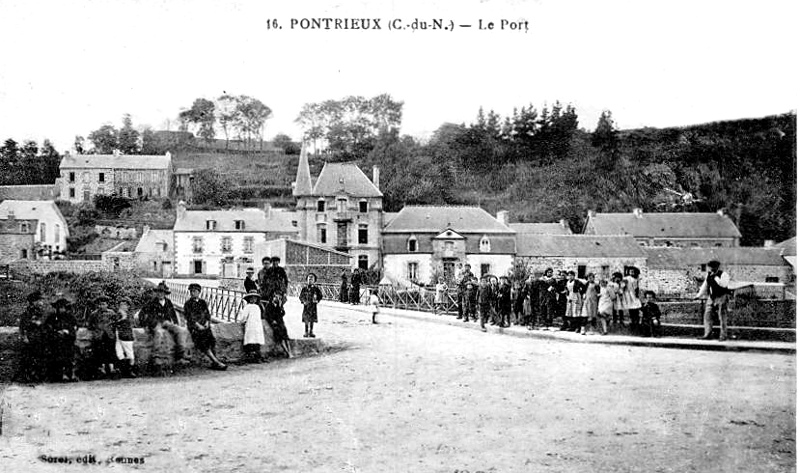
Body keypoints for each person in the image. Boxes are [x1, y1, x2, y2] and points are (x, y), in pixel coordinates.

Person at [139, 281, 189, 366]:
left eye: (162, 292)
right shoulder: (151, 302)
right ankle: (156, 357)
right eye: (158, 292)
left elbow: (173, 314)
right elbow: (142, 313)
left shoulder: (168, 302)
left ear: (165, 293)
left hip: (166, 322)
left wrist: (176, 323)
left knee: (180, 331)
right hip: (155, 323)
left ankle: (181, 354)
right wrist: (145, 325)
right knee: (158, 333)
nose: (160, 294)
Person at [183, 283, 227, 370]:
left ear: (199, 292)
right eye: (191, 291)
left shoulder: (203, 302)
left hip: (204, 326)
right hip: (194, 327)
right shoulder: (188, 304)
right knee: (203, 342)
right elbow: (189, 317)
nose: (192, 293)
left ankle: (215, 361)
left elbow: (207, 314)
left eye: (195, 291)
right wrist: (198, 325)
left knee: (211, 340)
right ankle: (216, 362)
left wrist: (207, 322)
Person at [44, 296, 78, 382]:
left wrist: (68, 332)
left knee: (70, 356)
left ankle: (71, 374)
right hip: (56, 341)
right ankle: (62, 375)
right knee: (59, 356)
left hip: (68, 340)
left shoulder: (70, 317)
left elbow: (75, 327)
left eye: (63, 307)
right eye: (59, 308)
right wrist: (57, 332)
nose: (61, 309)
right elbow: (48, 328)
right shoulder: (52, 318)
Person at [17, 290, 48, 382]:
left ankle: (37, 376)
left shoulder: (41, 312)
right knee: (29, 357)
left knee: (39, 356)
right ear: (33, 302)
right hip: (31, 337)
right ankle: (28, 376)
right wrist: (25, 337)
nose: (41, 303)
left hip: (39, 337)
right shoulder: (28, 313)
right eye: (39, 301)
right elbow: (23, 326)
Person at [695, 260, 731, 341]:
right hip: (712, 297)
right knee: (707, 315)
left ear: (717, 267)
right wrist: (698, 295)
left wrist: (716, 277)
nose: (710, 269)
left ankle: (723, 335)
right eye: (710, 267)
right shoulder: (709, 275)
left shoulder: (723, 274)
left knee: (722, 316)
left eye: (712, 267)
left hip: (722, 296)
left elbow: (724, 284)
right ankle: (707, 334)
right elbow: (705, 285)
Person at [88, 295, 118, 379]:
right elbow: (90, 325)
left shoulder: (111, 313)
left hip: (109, 335)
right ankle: (102, 369)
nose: (102, 306)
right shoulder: (94, 314)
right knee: (100, 352)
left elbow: (115, 323)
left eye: (104, 304)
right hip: (99, 335)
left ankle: (112, 369)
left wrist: (111, 330)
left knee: (111, 351)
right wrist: (96, 331)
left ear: (107, 304)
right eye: (100, 304)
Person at [113, 296, 138, 378]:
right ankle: (123, 370)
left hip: (126, 335)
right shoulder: (118, 314)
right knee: (119, 353)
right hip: (118, 335)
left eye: (124, 305)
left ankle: (130, 371)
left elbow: (129, 324)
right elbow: (115, 323)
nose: (122, 306)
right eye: (121, 305)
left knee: (129, 353)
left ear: (128, 306)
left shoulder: (129, 315)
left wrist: (122, 318)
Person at [264, 293, 293, 358]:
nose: (277, 299)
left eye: (278, 298)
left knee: (285, 336)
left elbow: (282, 314)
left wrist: (280, 307)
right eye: (276, 297)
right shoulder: (269, 305)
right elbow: (266, 315)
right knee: (280, 337)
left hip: (280, 323)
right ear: (273, 298)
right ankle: (287, 352)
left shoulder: (279, 306)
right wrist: (272, 321)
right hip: (274, 324)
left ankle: (290, 351)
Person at [241, 290, 265, 362]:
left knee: (251, 340)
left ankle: (253, 356)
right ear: (249, 299)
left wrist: (242, 322)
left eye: (255, 298)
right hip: (255, 325)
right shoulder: (257, 307)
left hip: (252, 325)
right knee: (255, 340)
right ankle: (256, 356)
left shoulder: (249, 307)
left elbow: (243, 317)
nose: (253, 300)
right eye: (252, 298)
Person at [300, 272, 324, 337]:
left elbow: (320, 296)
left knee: (312, 320)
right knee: (306, 320)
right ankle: (306, 332)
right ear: (307, 280)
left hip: (313, 306)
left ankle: (311, 331)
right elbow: (301, 296)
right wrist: (303, 301)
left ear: (314, 281)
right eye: (309, 279)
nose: (310, 280)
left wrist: (317, 300)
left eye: (312, 279)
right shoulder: (304, 289)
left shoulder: (316, 289)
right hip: (306, 306)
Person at [621, 267, 643, 334]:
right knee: (631, 310)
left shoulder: (635, 279)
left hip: (633, 295)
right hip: (628, 294)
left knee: (636, 310)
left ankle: (636, 325)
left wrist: (637, 295)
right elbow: (622, 286)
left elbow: (636, 289)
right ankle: (633, 325)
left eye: (633, 271)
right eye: (630, 271)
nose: (632, 273)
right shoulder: (626, 278)